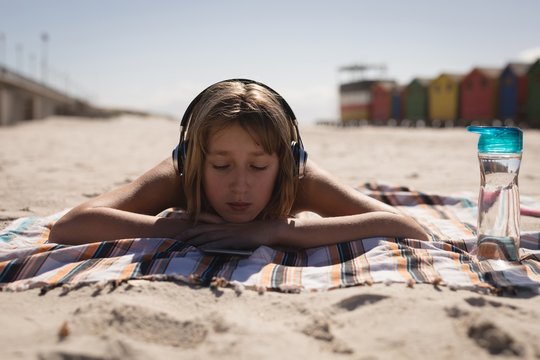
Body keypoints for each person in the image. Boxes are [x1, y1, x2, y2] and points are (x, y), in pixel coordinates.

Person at [49, 79, 429, 250]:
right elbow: (68, 226)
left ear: (288, 163)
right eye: (220, 166)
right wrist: (176, 229)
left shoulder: (300, 180)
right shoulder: (180, 176)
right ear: (191, 160)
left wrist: (278, 232)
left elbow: (407, 227)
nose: (240, 187)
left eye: (259, 168)